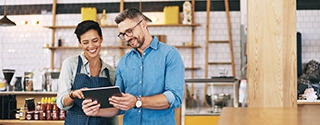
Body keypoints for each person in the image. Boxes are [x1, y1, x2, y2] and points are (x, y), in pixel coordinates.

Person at [82, 8, 185, 125]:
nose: (127, 38)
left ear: (143, 24)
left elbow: (174, 97)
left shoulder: (170, 54)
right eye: (122, 34)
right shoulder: (123, 62)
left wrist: (137, 101)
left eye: (129, 31)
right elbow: (118, 105)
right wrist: (96, 111)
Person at [56, 20, 118, 125]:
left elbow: (114, 109)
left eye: (95, 40)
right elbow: (62, 103)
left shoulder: (110, 72)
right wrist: (73, 95)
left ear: (101, 39)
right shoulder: (70, 64)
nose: (91, 46)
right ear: (80, 43)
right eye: (85, 42)